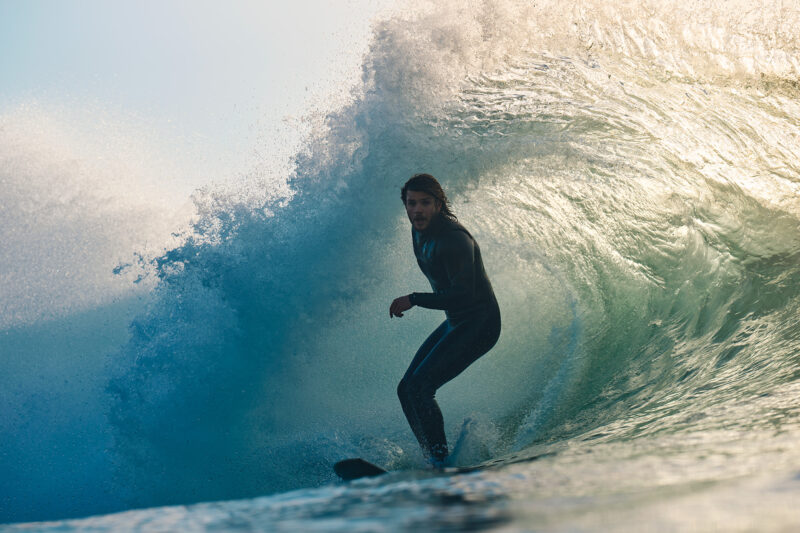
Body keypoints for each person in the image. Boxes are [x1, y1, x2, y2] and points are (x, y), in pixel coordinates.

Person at [390, 173, 501, 467]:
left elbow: (464, 296)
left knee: (420, 389)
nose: (417, 210)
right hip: (458, 321)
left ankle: (440, 461)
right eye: (411, 203)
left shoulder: (454, 240)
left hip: (480, 324)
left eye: (425, 203)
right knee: (406, 389)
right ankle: (432, 456)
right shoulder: (418, 231)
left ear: (439, 204)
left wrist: (414, 299)